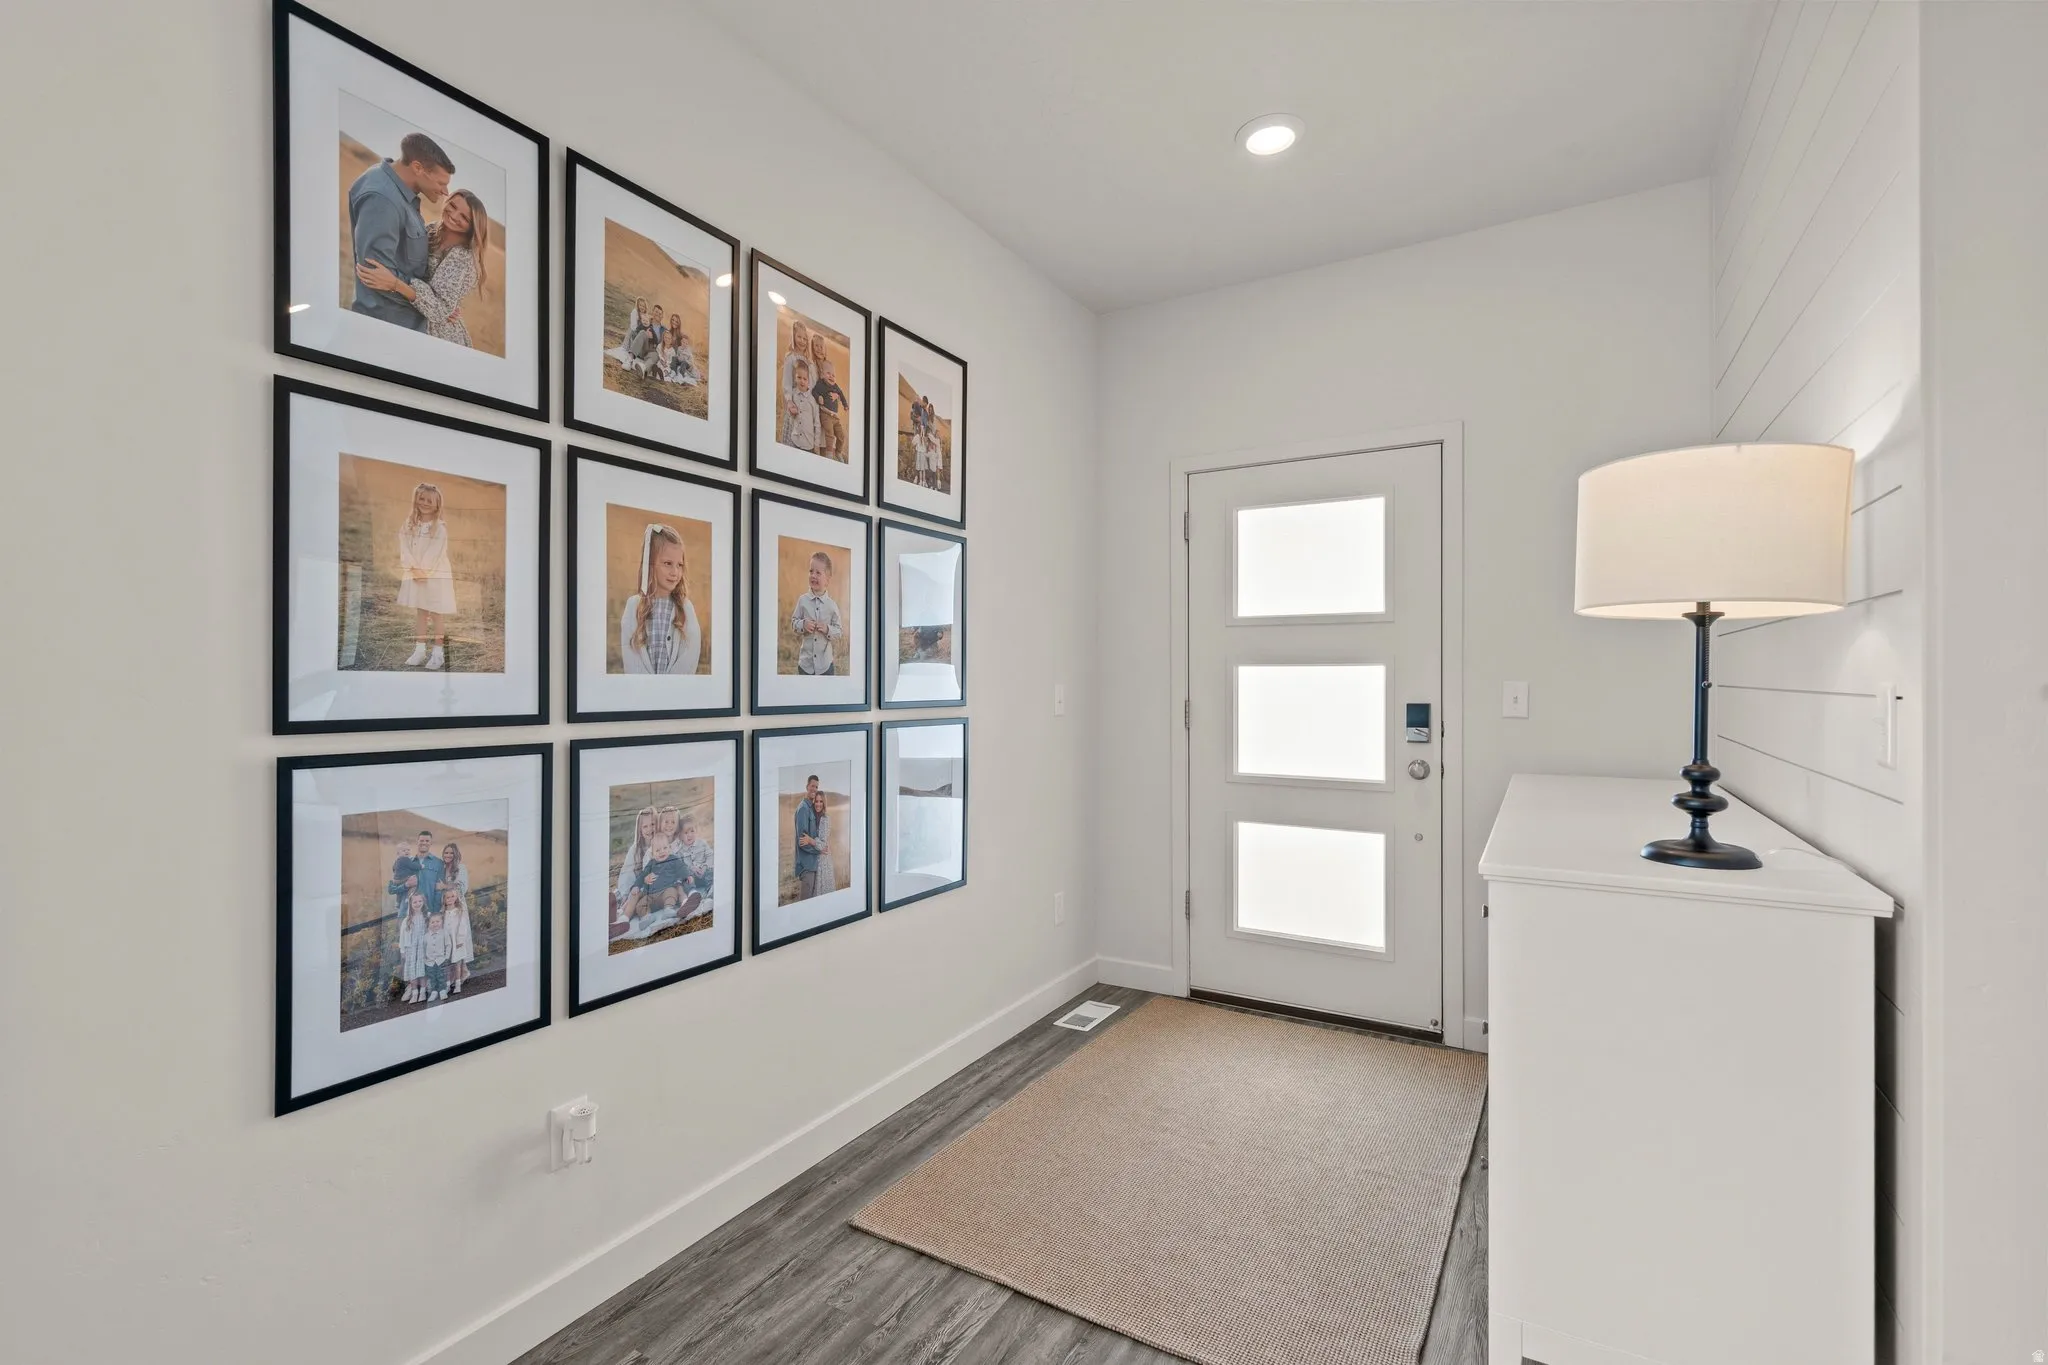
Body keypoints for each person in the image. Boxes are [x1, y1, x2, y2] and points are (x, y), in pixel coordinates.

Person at [354, 188, 490, 348]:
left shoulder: (463, 257)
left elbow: (439, 310)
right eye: (453, 206)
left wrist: (395, 284)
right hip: (410, 315)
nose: (454, 216)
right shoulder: (432, 230)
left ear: (472, 226)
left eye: (464, 217)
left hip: (438, 335)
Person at [348, 131, 453, 332]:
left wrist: (438, 302)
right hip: (387, 328)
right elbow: (376, 274)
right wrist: (431, 302)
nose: (445, 192)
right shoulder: (383, 199)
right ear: (417, 168)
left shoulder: (397, 188)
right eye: (441, 183)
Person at [619, 524, 701, 675]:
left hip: (675, 693)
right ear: (649, 564)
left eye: (680, 565)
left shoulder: (685, 607)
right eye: (668, 564)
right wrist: (647, 687)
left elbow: (690, 654)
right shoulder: (633, 605)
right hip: (641, 693)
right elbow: (630, 655)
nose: (675, 572)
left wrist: (669, 687)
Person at [396, 482, 456, 670]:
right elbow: (404, 546)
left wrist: (424, 571)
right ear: (416, 499)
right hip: (415, 573)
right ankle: (419, 650)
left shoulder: (440, 528)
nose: (425, 503)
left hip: (435, 576)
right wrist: (413, 568)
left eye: (430, 500)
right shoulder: (409, 523)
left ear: (437, 504)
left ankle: (438, 654)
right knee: (421, 613)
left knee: (436, 613)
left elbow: (435, 553)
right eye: (421, 498)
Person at [789, 550, 843, 676]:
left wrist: (827, 629)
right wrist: (803, 624)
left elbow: (839, 631)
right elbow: (793, 622)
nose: (813, 575)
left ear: (827, 579)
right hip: (805, 665)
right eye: (811, 571)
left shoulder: (832, 605)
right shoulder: (803, 600)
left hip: (825, 666)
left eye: (818, 573)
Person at [613, 806, 659, 920]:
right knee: (622, 896)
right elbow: (627, 874)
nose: (649, 829)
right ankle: (614, 911)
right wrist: (625, 893)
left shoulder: (661, 845)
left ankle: (621, 915)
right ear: (640, 830)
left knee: (634, 899)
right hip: (634, 885)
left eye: (652, 824)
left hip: (649, 887)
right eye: (645, 826)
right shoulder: (635, 849)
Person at [387, 831, 445, 920]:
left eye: (427, 841)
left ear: (431, 843)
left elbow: (438, 891)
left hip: (428, 912)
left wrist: (435, 913)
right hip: (406, 912)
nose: (424, 843)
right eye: (421, 840)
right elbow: (391, 889)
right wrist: (406, 885)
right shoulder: (404, 862)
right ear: (417, 842)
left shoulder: (438, 863)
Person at [792, 775, 824, 899]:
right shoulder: (803, 809)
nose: (814, 789)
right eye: (812, 786)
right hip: (806, 866)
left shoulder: (811, 808)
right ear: (807, 787)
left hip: (814, 863)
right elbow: (802, 842)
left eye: (816, 787)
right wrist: (819, 849)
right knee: (805, 903)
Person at [674, 813, 712, 914]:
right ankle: (693, 894)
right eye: (686, 833)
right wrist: (690, 869)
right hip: (692, 877)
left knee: (710, 873)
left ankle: (711, 892)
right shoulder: (680, 851)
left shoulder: (702, 843)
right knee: (685, 879)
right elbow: (680, 866)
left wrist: (704, 867)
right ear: (680, 836)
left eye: (692, 831)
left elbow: (710, 856)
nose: (690, 834)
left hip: (703, 872)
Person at [812, 361, 849, 460]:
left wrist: (845, 405)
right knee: (830, 434)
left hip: (835, 417)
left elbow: (841, 394)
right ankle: (829, 454)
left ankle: (838, 451)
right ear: (822, 374)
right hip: (825, 414)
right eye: (828, 373)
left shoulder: (835, 386)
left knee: (841, 435)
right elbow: (814, 391)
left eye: (833, 375)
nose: (831, 377)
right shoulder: (820, 384)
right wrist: (818, 396)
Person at [782, 357, 821, 451]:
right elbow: (790, 416)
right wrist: (792, 413)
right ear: (795, 378)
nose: (802, 381)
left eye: (805, 379)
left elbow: (817, 423)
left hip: (808, 444)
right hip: (794, 441)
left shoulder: (812, 400)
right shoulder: (793, 395)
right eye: (799, 377)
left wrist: (816, 444)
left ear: (808, 381)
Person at [398, 891, 429, 1004]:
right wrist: (402, 950)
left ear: (423, 902)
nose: (417, 903)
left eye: (420, 901)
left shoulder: (427, 916)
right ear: (410, 904)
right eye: (415, 902)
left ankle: (423, 992)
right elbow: (402, 937)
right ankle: (415, 992)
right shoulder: (407, 920)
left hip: (422, 948)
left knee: (422, 970)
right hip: (411, 949)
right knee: (412, 971)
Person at [808, 788, 838, 895]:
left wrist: (811, 840)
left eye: (821, 801)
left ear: (824, 803)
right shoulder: (812, 817)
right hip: (815, 860)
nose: (818, 804)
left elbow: (823, 846)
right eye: (816, 801)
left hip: (823, 862)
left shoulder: (826, 818)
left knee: (823, 892)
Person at [444, 887, 473, 995]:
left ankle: (458, 984)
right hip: (448, 942)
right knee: (448, 963)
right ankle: (447, 984)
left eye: (453, 896)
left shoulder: (459, 911)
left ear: (456, 897)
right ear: (444, 899)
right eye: (448, 897)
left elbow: (463, 926)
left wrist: (460, 939)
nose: (450, 899)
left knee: (458, 963)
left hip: (457, 942)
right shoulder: (443, 912)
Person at [421, 906, 452, 1002]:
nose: (435, 924)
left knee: (441, 975)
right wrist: (424, 959)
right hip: (429, 961)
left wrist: (447, 956)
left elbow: (448, 945)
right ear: (428, 924)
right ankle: (434, 991)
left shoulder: (444, 933)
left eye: (437, 921)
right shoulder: (426, 936)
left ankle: (442, 990)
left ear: (441, 922)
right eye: (432, 922)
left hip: (440, 960)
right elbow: (423, 948)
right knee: (432, 977)